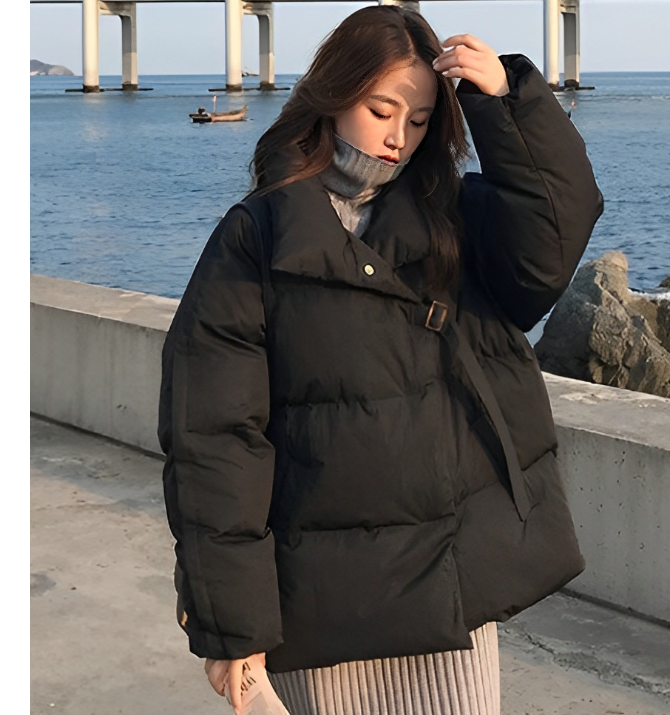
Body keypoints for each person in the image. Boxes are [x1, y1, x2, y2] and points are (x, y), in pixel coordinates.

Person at [158, 6, 603, 714]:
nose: (399, 137)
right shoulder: (258, 237)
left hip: (449, 587)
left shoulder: (450, 217)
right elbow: (215, 439)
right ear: (334, 94)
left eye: (421, 119)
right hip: (322, 601)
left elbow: (550, 245)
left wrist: (506, 103)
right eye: (381, 110)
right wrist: (231, 619)